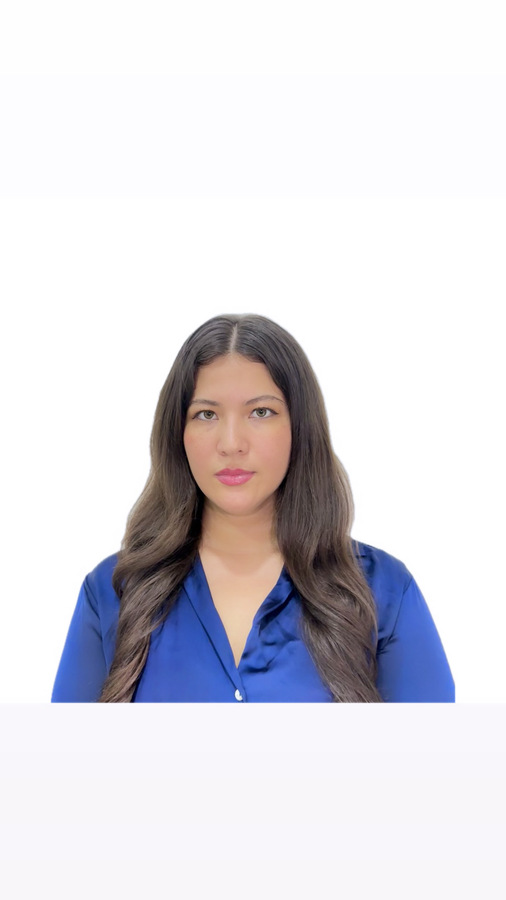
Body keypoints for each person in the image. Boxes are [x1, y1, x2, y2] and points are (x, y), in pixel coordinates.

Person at [51, 313, 455, 703]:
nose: (231, 443)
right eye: (206, 414)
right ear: (178, 432)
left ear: (300, 427)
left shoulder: (384, 593)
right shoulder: (113, 593)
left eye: (261, 412)